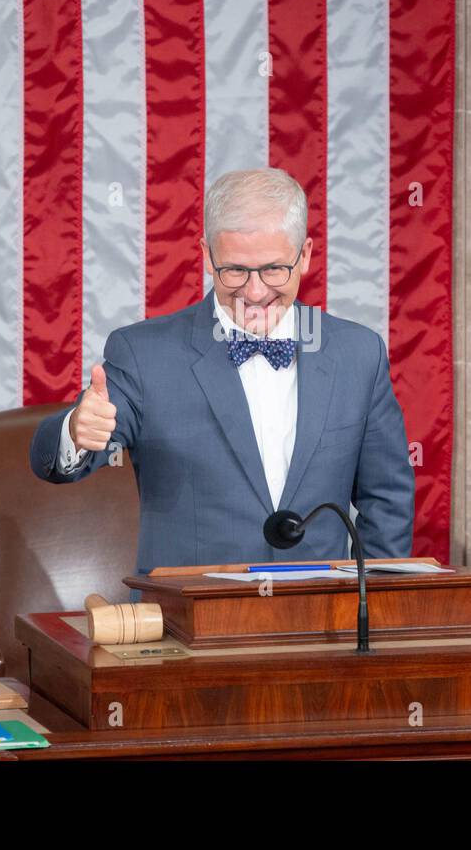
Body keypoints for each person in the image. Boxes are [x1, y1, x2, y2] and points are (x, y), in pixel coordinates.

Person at [30, 167, 414, 573]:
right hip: (191, 621)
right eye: (235, 270)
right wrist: (75, 431)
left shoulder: (359, 353)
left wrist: (375, 605)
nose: (255, 292)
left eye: (273, 269)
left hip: (321, 622)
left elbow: (387, 497)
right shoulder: (143, 353)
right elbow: (63, 459)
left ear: (305, 256)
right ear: (206, 256)